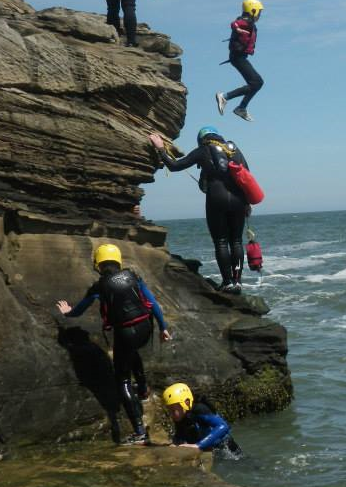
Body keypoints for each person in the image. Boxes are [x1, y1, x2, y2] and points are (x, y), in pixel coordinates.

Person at [56, 243, 172, 444]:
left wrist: (68, 312)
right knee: (130, 351)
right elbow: (152, 303)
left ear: (98, 265)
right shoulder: (133, 276)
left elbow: (80, 309)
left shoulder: (99, 286)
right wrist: (163, 328)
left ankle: (139, 432)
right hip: (145, 328)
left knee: (123, 381)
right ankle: (143, 390)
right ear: (118, 261)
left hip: (125, 333)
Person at [148, 127, 250, 293]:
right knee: (237, 241)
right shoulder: (233, 148)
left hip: (216, 198)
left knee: (221, 242)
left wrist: (160, 148)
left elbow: (174, 165)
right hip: (239, 199)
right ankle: (237, 282)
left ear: (202, 140)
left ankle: (227, 282)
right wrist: (247, 204)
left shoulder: (203, 150)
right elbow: (246, 175)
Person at [215, 0, 264, 122]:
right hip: (237, 58)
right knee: (257, 82)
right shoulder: (245, 21)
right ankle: (226, 97)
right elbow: (235, 23)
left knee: (256, 83)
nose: (260, 15)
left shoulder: (249, 23)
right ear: (253, 11)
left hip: (239, 58)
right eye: (259, 12)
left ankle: (240, 107)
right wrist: (237, 28)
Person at [162, 383, 241, 455]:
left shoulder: (200, 409)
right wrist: (175, 443)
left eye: (173, 411)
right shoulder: (180, 416)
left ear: (186, 403)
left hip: (227, 449)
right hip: (211, 449)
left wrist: (198, 445)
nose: (171, 414)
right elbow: (180, 434)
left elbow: (223, 426)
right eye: (169, 411)